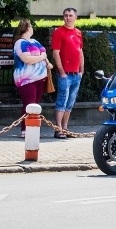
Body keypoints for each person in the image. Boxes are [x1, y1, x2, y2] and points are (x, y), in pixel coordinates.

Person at [13, 19, 52, 138]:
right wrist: (42, 57)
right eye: (31, 26)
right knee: (28, 104)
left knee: (35, 104)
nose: (32, 28)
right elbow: (27, 59)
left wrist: (47, 62)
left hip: (40, 78)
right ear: (27, 28)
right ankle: (25, 129)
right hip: (26, 79)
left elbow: (43, 54)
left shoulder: (35, 41)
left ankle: (33, 128)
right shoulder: (20, 43)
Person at [51, 7, 84, 139]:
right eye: (66, 15)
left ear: (75, 17)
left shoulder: (78, 33)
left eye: (71, 15)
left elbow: (80, 52)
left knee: (70, 102)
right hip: (65, 74)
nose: (68, 18)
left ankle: (65, 128)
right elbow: (55, 53)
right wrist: (62, 72)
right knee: (62, 101)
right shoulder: (59, 32)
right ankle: (58, 129)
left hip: (76, 74)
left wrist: (82, 70)